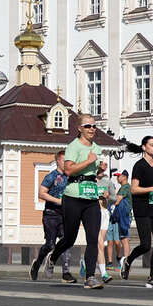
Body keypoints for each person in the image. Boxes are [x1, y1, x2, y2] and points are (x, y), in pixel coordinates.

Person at [42, 114, 105, 289]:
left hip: (91, 197)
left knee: (93, 238)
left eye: (94, 126)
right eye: (87, 126)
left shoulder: (97, 148)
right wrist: (88, 161)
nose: (92, 129)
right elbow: (69, 170)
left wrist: (99, 170)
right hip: (73, 196)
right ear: (79, 128)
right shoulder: (73, 147)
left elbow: (92, 173)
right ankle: (53, 257)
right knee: (70, 238)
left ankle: (90, 277)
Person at [120, 136, 153, 289]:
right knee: (146, 245)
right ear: (144, 147)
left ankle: (152, 277)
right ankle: (128, 260)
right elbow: (134, 189)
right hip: (142, 207)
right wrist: (151, 189)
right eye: (151, 145)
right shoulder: (139, 166)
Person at [29, 150, 75, 283]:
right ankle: (37, 263)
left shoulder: (71, 177)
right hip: (51, 214)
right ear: (57, 162)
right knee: (50, 244)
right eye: (64, 161)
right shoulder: (51, 176)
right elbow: (41, 193)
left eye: (68, 161)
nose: (67, 163)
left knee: (66, 242)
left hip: (65, 215)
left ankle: (66, 273)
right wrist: (57, 201)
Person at [112, 169, 132, 261]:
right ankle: (126, 260)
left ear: (124, 177)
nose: (117, 178)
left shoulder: (125, 187)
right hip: (125, 215)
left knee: (124, 239)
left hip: (124, 216)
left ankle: (126, 261)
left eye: (118, 176)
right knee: (124, 238)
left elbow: (117, 201)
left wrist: (108, 198)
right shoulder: (125, 187)